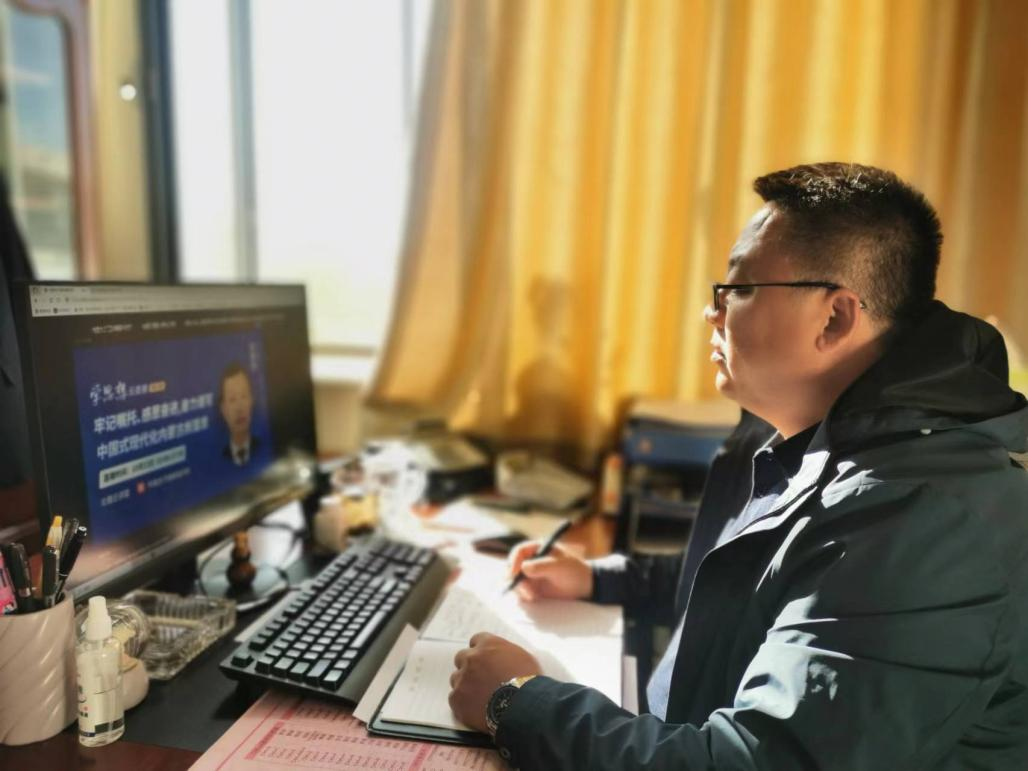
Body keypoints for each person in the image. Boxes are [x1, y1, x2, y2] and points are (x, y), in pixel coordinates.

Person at [447, 162, 1028, 769]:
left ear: (834, 317)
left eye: (740, 288)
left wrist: (517, 702)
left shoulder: (917, 519)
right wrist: (601, 579)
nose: (713, 312)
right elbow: (753, 587)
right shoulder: (799, 432)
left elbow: (754, 762)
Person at [218, 362, 259, 466]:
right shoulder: (218, 460)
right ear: (223, 410)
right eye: (232, 399)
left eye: (244, 396)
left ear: (251, 400)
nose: (239, 408)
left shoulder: (263, 449)